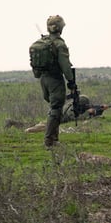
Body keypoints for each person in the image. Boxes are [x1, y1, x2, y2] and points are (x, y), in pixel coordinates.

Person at [30, 14, 77, 147]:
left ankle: (54, 139)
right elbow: (66, 66)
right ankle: (50, 141)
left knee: (54, 107)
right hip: (55, 79)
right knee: (56, 109)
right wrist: (71, 82)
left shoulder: (43, 43)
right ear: (60, 28)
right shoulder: (59, 44)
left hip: (43, 79)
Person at [24, 95, 110, 133]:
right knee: (44, 126)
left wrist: (100, 110)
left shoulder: (72, 105)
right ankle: (29, 130)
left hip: (55, 118)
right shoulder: (71, 108)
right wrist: (88, 112)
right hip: (55, 120)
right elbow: (74, 118)